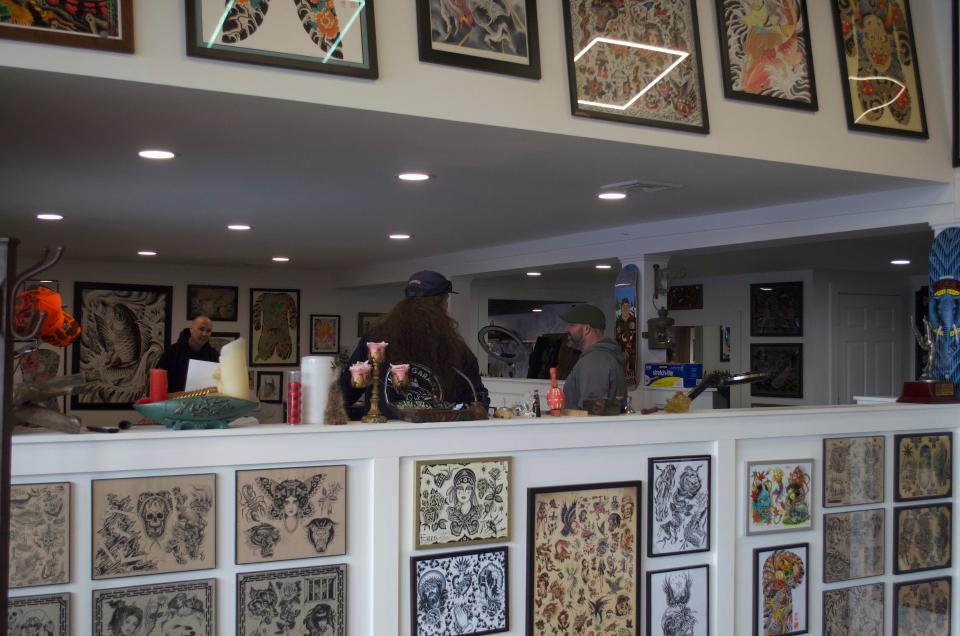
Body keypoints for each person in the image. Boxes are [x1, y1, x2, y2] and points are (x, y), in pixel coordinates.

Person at [339, 270, 489, 418]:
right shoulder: (455, 349)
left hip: (382, 435)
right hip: (437, 436)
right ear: (442, 303)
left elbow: (346, 391)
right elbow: (476, 401)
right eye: (445, 300)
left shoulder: (375, 341)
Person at [560, 303, 627, 410]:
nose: (566, 329)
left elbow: (592, 413)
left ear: (586, 329)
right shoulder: (604, 356)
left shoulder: (594, 361)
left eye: (572, 325)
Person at [155, 315, 219, 393]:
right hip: (175, 402)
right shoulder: (172, 351)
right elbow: (158, 380)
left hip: (204, 402)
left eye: (208, 331)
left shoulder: (214, 355)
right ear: (191, 329)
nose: (204, 334)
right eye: (201, 329)